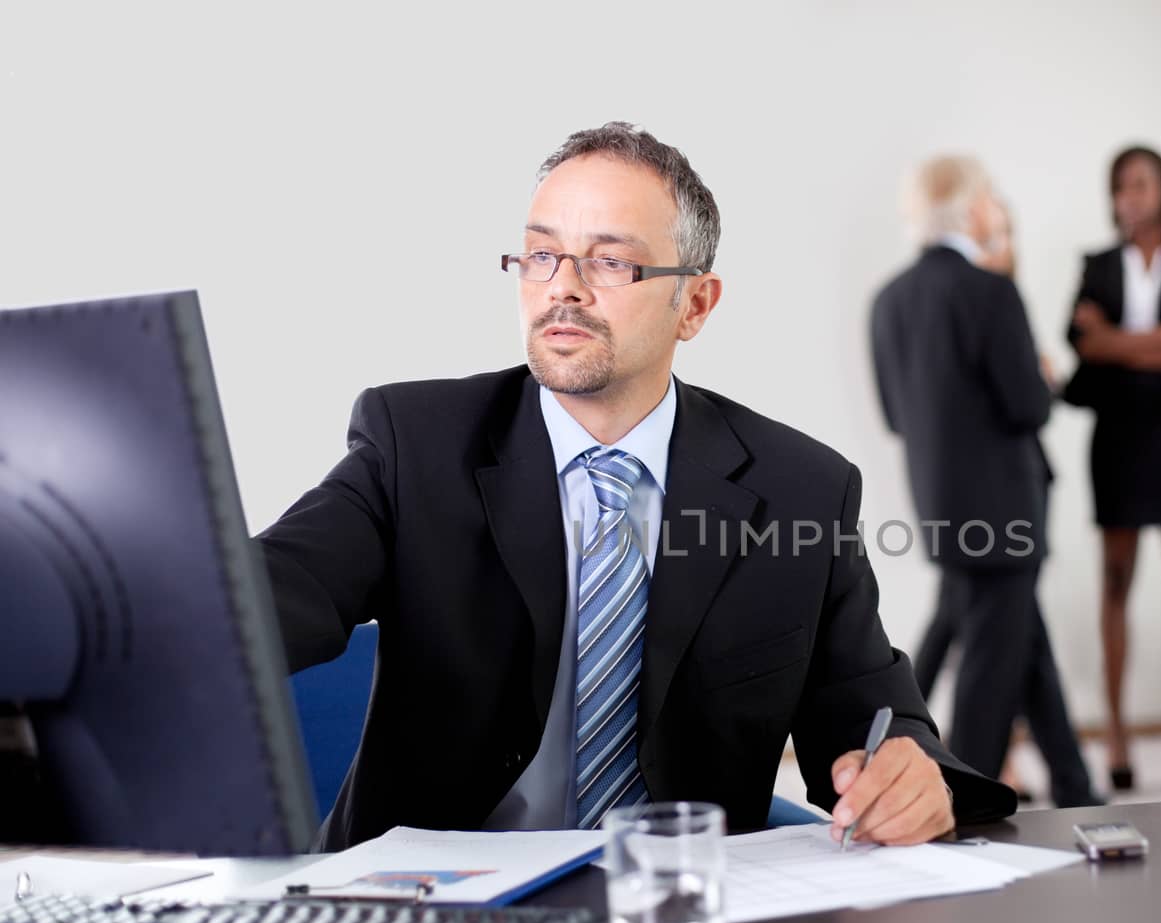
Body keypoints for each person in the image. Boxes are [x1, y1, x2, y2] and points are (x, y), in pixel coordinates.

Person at [256, 123, 1016, 851]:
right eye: (541, 255)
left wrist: (917, 780)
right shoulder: (413, 444)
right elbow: (264, 596)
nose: (565, 288)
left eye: (610, 262)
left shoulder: (800, 490)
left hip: (674, 918)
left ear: (695, 304)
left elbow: (875, 719)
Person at [870, 156, 1100, 809]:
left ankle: (1076, 786)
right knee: (991, 670)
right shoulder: (990, 291)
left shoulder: (888, 300)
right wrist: (1044, 374)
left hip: (941, 503)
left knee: (1025, 642)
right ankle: (962, 797)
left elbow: (895, 415)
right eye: (994, 198)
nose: (1000, 209)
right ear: (974, 211)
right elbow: (1029, 406)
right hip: (1006, 507)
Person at [1061, 146, 1161, 792]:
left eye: (1141, 183)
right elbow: (1082, 346)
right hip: (1118, 438)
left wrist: (1116, 342)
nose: (1130, 194)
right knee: (1116, 579)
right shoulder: (1097, 265)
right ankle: (1119, 731)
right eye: (1120, 185)